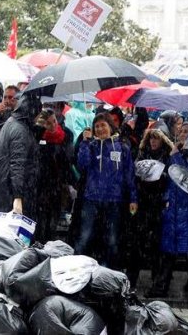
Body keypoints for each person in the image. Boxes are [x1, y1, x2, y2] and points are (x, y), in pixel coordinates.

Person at [147, 122, 188, 303]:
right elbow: (170, 181)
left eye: (186, 132)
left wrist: (175, 157)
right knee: (168, 253)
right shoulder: (178, 153)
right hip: (174, 211)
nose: (182, 134)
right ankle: (161, 286)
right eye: (181, 130)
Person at [75, 113, 138, 269]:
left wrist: (133, 198)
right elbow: (82, 165)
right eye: (97, 126)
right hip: (92, 199)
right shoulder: (91, 146)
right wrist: (85, 142)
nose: (100, 129)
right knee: (85, 237)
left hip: (114, 201)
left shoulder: (122, 146)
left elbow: (129, 174)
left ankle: (109, 273)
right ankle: (76, 270)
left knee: (112, 239)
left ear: (110, 126)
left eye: (103, 125)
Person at [126, 129, 173, 287]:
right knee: (136, 243)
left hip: (158, 204)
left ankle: (156, 280)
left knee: (155, 245)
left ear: (162, 141)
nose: (153, 141)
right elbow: (134, 178)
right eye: (151, 138)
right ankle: (131, 279)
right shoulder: (141, 154)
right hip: (142, 202)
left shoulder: (168, 157)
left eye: (157, 139)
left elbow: (170, 181)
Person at [0, 93, 41, 223]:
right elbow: (17, 165)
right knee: (8, 236)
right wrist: (18, 197)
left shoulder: (12, 122)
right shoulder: (20, 130)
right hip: (7, 190)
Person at [33, 109, 71, 242]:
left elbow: (68, 161)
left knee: (53, 221)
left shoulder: (66, 135)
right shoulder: (39, 136)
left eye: (54, 121)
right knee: (41, 220)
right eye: (48, 123)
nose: (53, 125)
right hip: (42, 185)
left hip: (58, 186)